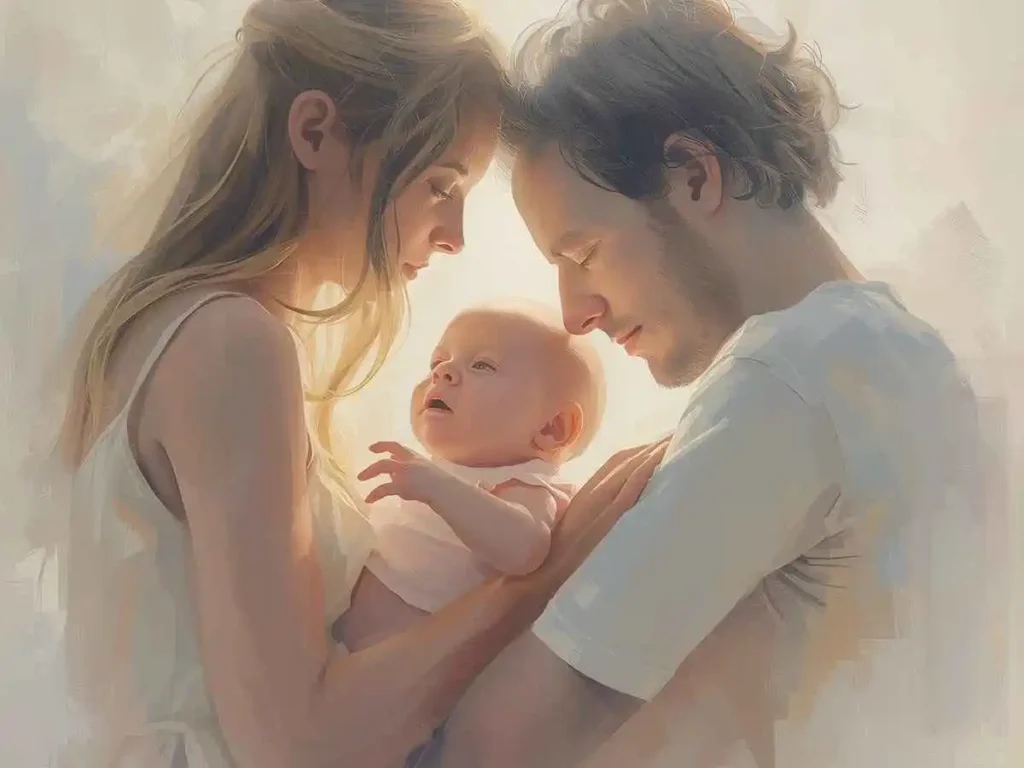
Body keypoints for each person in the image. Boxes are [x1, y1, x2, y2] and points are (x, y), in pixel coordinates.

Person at [43, 2, 666, 767]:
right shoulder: (229, 345)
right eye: (442, 185)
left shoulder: (164, 329)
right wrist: (546, 576)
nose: (455, 236)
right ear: (315, 134)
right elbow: (298, 744)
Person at [435, 1, 984, 766]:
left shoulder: (788, 378)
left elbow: (494, 747)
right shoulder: (915, 361)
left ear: (694, 175)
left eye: (583, 252)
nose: (575, 313)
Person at [339, 304, 605, 653]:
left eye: (482, 365)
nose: (443, 372)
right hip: (342, 656)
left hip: (410, 676)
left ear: (552, 428)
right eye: (437, 363)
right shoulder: (430, 473)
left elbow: (525, 549)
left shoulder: (525, 483)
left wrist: (435, 486)